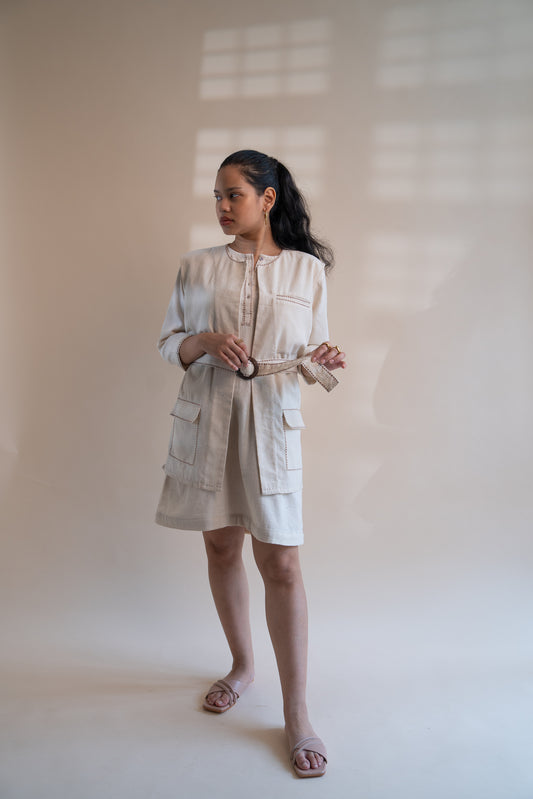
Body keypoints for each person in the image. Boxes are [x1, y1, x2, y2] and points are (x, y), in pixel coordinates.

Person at [155, 150, 346, 778]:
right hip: (209, 419)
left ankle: (297, 712)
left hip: (270, 426)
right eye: (216, 195)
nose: (221, 206)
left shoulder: (307, 270)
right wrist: (204, 341)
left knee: (282, 563)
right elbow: (168, 344)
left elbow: (309, 355)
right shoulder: (196, 266)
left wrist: (322, 361)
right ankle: (241, 666)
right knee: (220, 547)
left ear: (267, 199)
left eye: (232, 194)